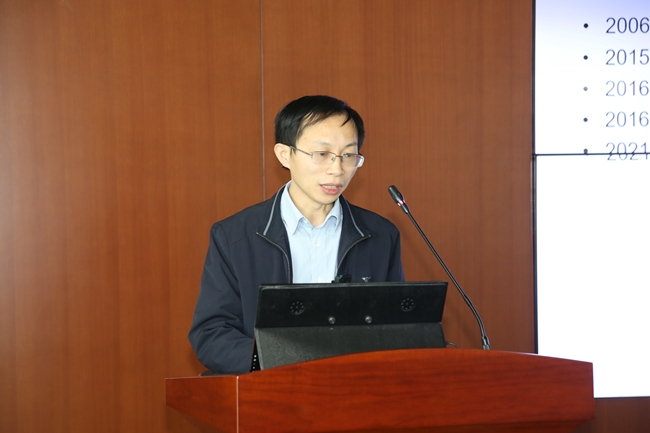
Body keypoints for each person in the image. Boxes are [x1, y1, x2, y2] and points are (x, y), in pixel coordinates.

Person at [189, 95, 404, 374]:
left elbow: (397, 327)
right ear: (284, 154)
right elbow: (212, 333)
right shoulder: (234, 236)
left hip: (353, 389)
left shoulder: (381, 236)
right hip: (268, 389)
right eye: (322, 154)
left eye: (349, 155)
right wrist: (280, 363)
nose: (337, 169)